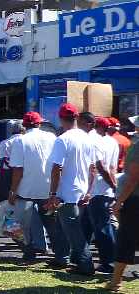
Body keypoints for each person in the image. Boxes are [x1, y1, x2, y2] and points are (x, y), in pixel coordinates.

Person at [47, 106, 116, 276]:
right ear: (76, 118)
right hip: (82, 192)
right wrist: (89, 191)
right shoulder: (87, 139)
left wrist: (53, 194)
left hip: (66, 194)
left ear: (61, 118)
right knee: (72, 230)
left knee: (75, 235)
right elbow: (93, 168)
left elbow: (57, 168)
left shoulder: (62, 139)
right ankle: (71, 261)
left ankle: (86, 266)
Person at [7, 112, 62, 262]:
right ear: (39, 124)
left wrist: (13, 190)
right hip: (48, 189)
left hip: (26, 190)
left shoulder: (20, 141)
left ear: (24, 125)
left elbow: (18, 169)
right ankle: (61, 255)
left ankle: (28, 252)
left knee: (13, 225)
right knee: (51, 225)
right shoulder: (52, 138)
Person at [106, 130, 139, 291]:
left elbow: (133, 179)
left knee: (125, 239)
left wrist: (119, 202)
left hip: (135, 200)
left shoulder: (137, 147)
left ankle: (116, 282)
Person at [86, 116, 120, 273]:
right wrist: (114, 186)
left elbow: (98, 166)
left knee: (102, 228)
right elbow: (112, 167)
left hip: (96, 190)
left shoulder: (94, 141)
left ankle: (109, 262)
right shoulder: (112, 142)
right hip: (106, 190)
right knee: (98, 225)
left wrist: (89, 190)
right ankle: (81, 257)